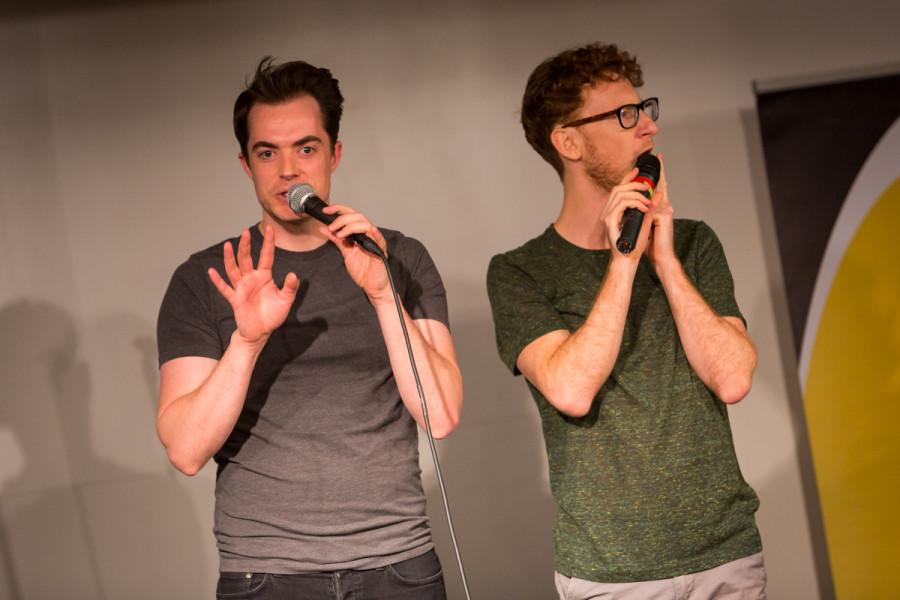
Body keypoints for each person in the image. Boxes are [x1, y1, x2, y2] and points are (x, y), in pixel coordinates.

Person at [156, 57, 462, 599]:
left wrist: (381, 293)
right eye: (267, 153)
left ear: (334, 153)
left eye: (306, 147)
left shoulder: (399, 257)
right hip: (266, 573)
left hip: (397, 564)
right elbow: (184, 450)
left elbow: (439, 415)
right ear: (246, 164)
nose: (288, 170)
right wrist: (247, 341)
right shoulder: (207, 279)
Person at [486, 43, 766, 599]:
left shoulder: (693, 242)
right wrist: (623, 261)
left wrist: (662, 258)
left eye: (645, 109)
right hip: (611, 574)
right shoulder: (520, 272)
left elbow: (733, 377)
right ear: (568, 141)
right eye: (625, 115)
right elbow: (571, 388)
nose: (649, 129)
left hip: (725, 554)